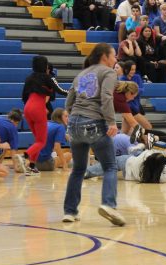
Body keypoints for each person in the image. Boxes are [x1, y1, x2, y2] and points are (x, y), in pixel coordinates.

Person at [63, 43, 126, 226]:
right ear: (105, 57)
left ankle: (69, 211)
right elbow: (106, 96)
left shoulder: (82, 73)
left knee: (78, 169)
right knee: (110, 166)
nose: (116, 60)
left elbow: (69, 101)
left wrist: (74, 117)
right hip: (93, 123)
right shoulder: (108, 72)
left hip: (74, 124)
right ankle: (108, 204)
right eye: (114, 56)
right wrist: (112, 121)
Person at [22, 56, 58, 176]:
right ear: (45, 66)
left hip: (27, 108)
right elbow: (59, 90)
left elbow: (24, 96)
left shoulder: (29, 78)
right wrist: (73, 91)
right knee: (42, 141)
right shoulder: (48, 78)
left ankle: (32, 166)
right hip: (39, 109)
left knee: (37, 141)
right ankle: (24, 156)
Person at [85, 147, 166, 183]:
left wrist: (164, 153)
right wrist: (162, 164)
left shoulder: (145, 156)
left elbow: (149, 151)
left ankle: (86, 172)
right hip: (128, 177)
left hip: (127, 162)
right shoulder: (160, 178)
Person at [119, 61, 153, 133]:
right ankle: (148, 143)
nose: (133, 71)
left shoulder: (137, 77)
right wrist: (135, 91)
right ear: (126, 69)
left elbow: (142, 90)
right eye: (131, 69)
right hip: (128, 107)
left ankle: (118, 143)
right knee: (148, 126)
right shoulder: (122, 79)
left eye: (134, 69)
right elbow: (123, 94)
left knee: (125, 131)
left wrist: (132, 91)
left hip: (136, 105)